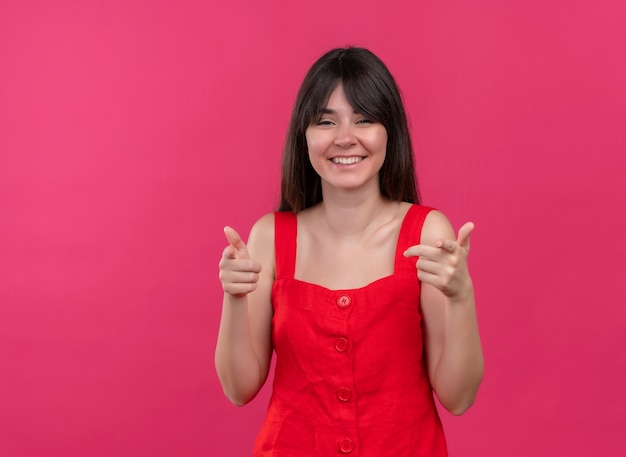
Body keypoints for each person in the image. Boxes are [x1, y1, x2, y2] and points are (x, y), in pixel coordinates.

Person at [215, 47, 484, 456]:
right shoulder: (269, 237)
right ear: (303, 135)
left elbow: (458, 398)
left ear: (389, 132)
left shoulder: (427, 234)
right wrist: (233, 298)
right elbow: (238, 389)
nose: (345, 138)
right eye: (325, 121)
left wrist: (462, 296)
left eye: (364, 119)